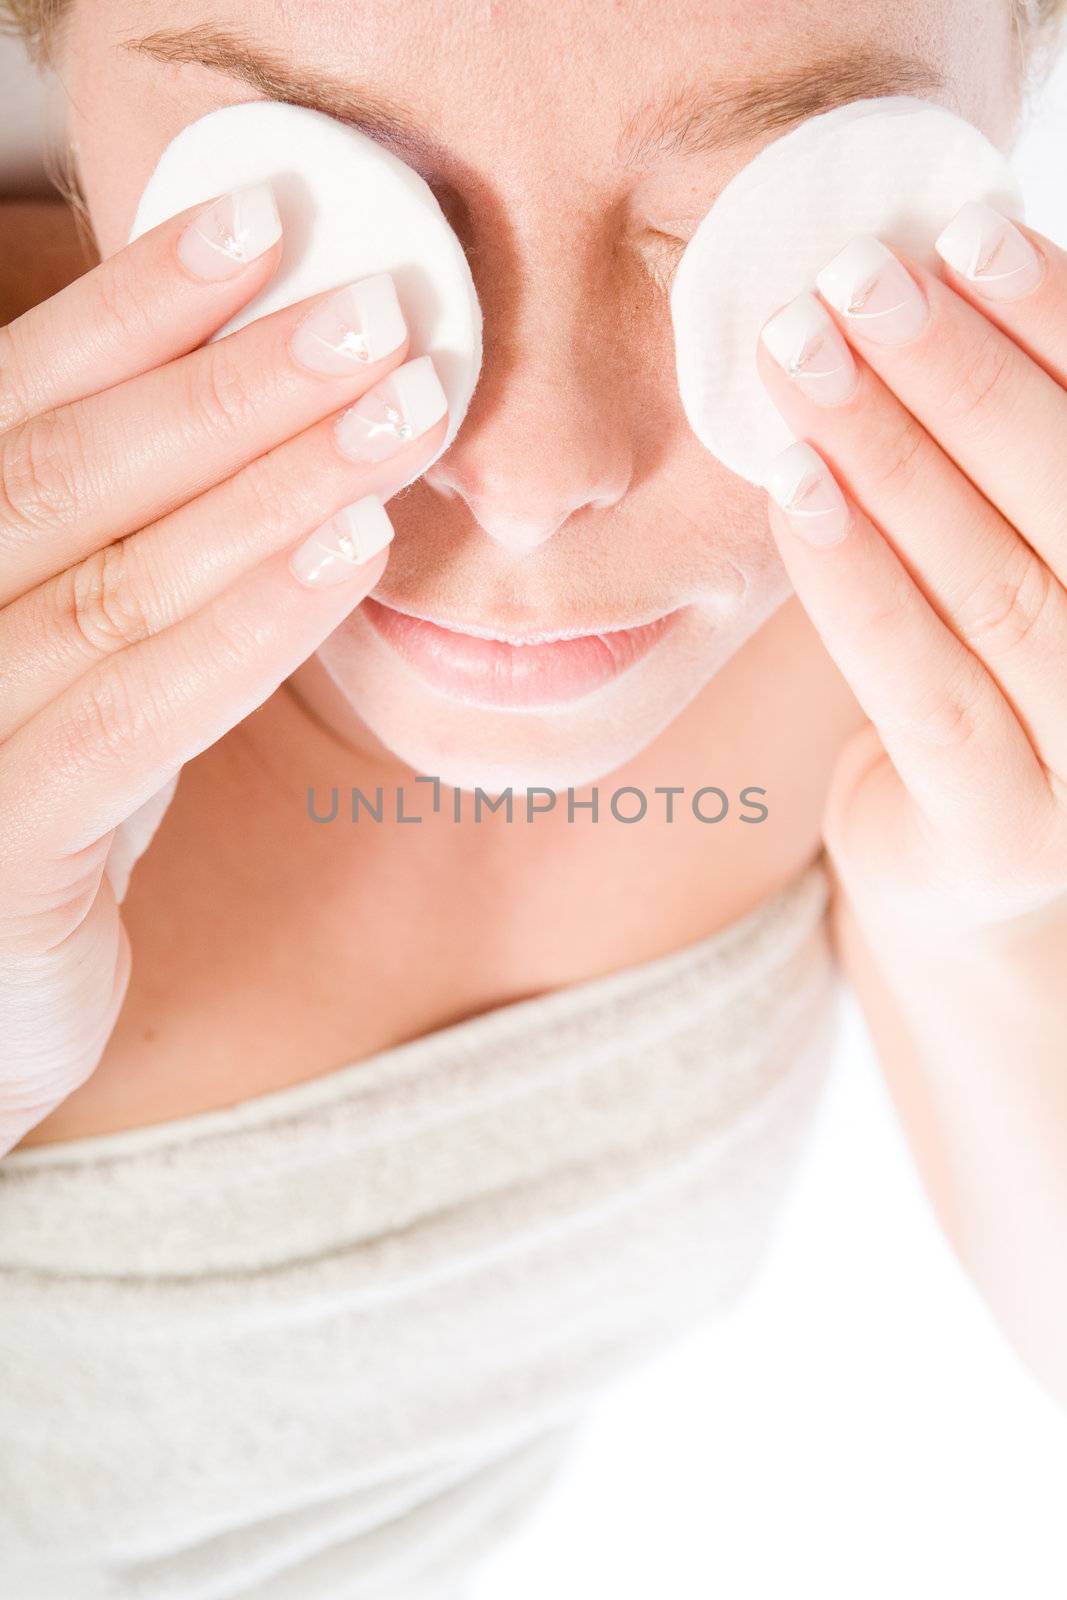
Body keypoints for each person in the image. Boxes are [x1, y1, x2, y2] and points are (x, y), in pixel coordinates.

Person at [0, 1, 1065, 1595]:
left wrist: (993, 915)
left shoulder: (930, 526)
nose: (535, 467)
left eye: (750, 208)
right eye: (328, 199)